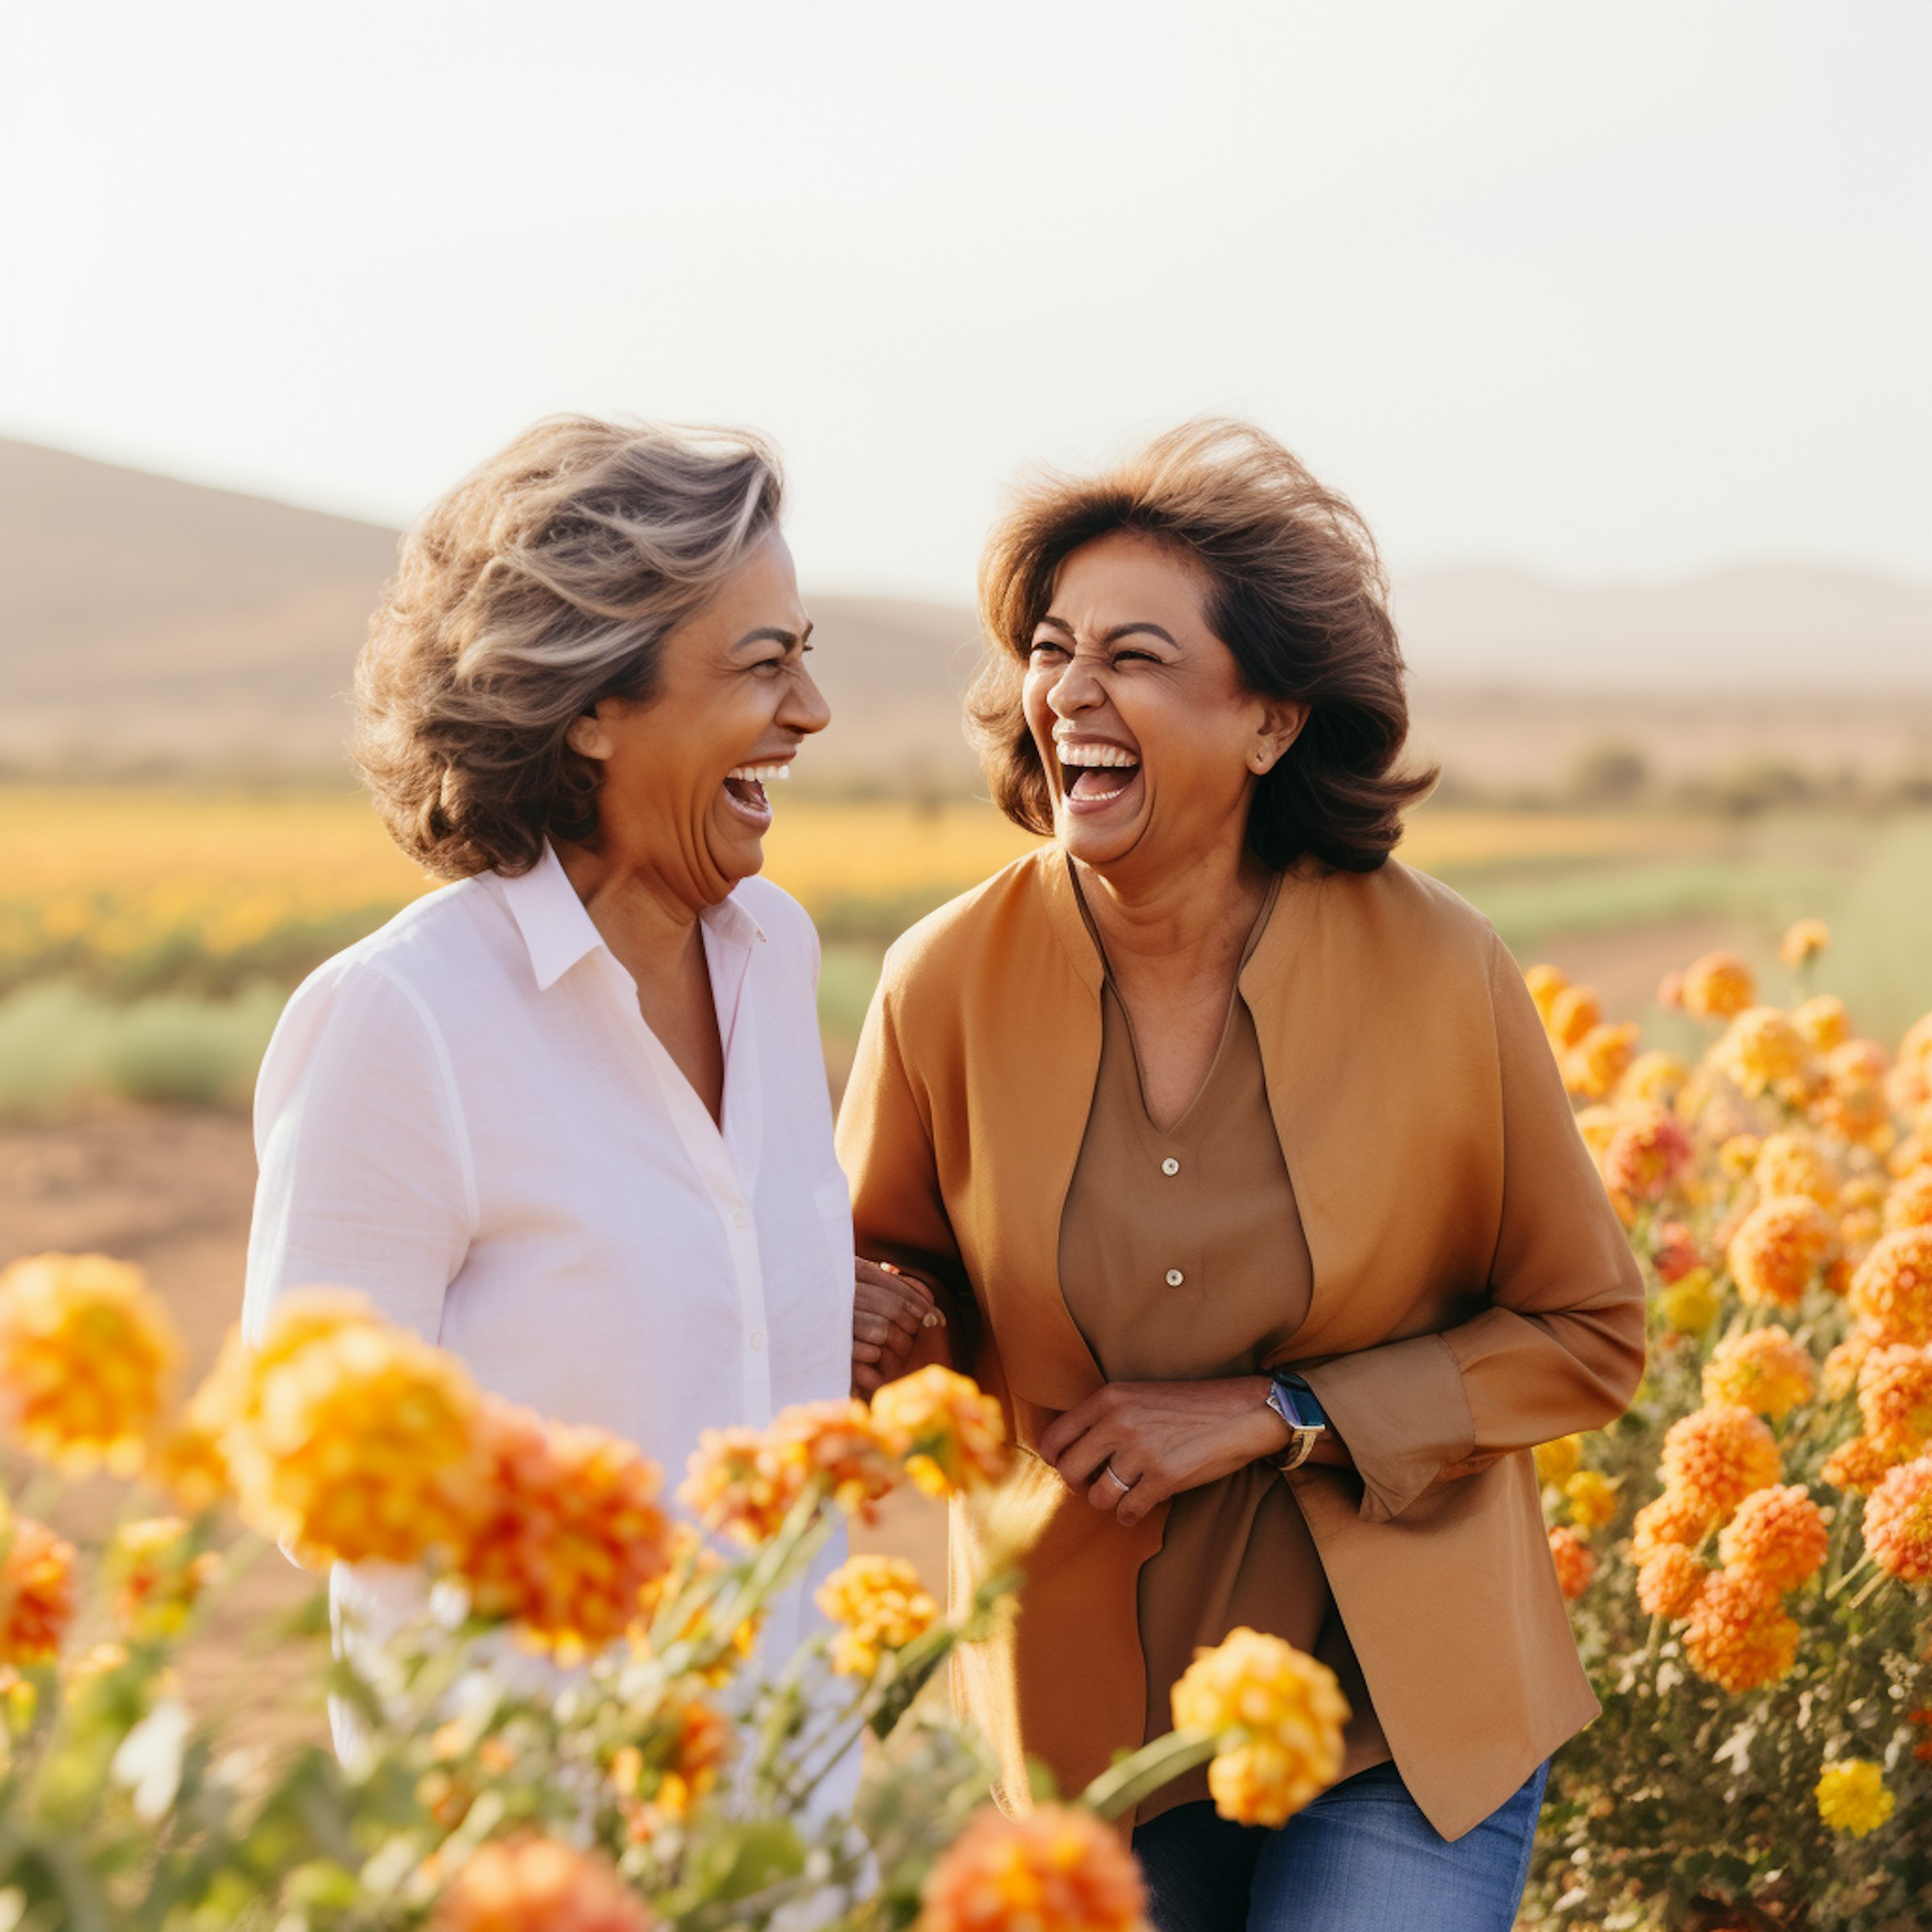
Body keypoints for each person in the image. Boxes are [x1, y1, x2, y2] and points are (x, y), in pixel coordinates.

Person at [835, 419, 1646, 1932]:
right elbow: (894, 1303)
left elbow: (1588, 1334)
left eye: (1134, 657)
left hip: (1397, 1714)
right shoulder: (938, 981)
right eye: (1053, 648)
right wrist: (881, 1320)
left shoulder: (1439, 966)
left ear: (1271, 723)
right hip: (1102, 1733)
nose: (1072, 691)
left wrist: (1280, 1415)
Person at [243, 415, 897, 1777]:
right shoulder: (402, 1019)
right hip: (528, 1821)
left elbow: (701, 1334)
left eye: (806, 657)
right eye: (762, 664)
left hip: (789, 1814)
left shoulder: (776, 958)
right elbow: (314, 1489)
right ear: (592, 706)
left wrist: (830, 1321)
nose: (810, 712)